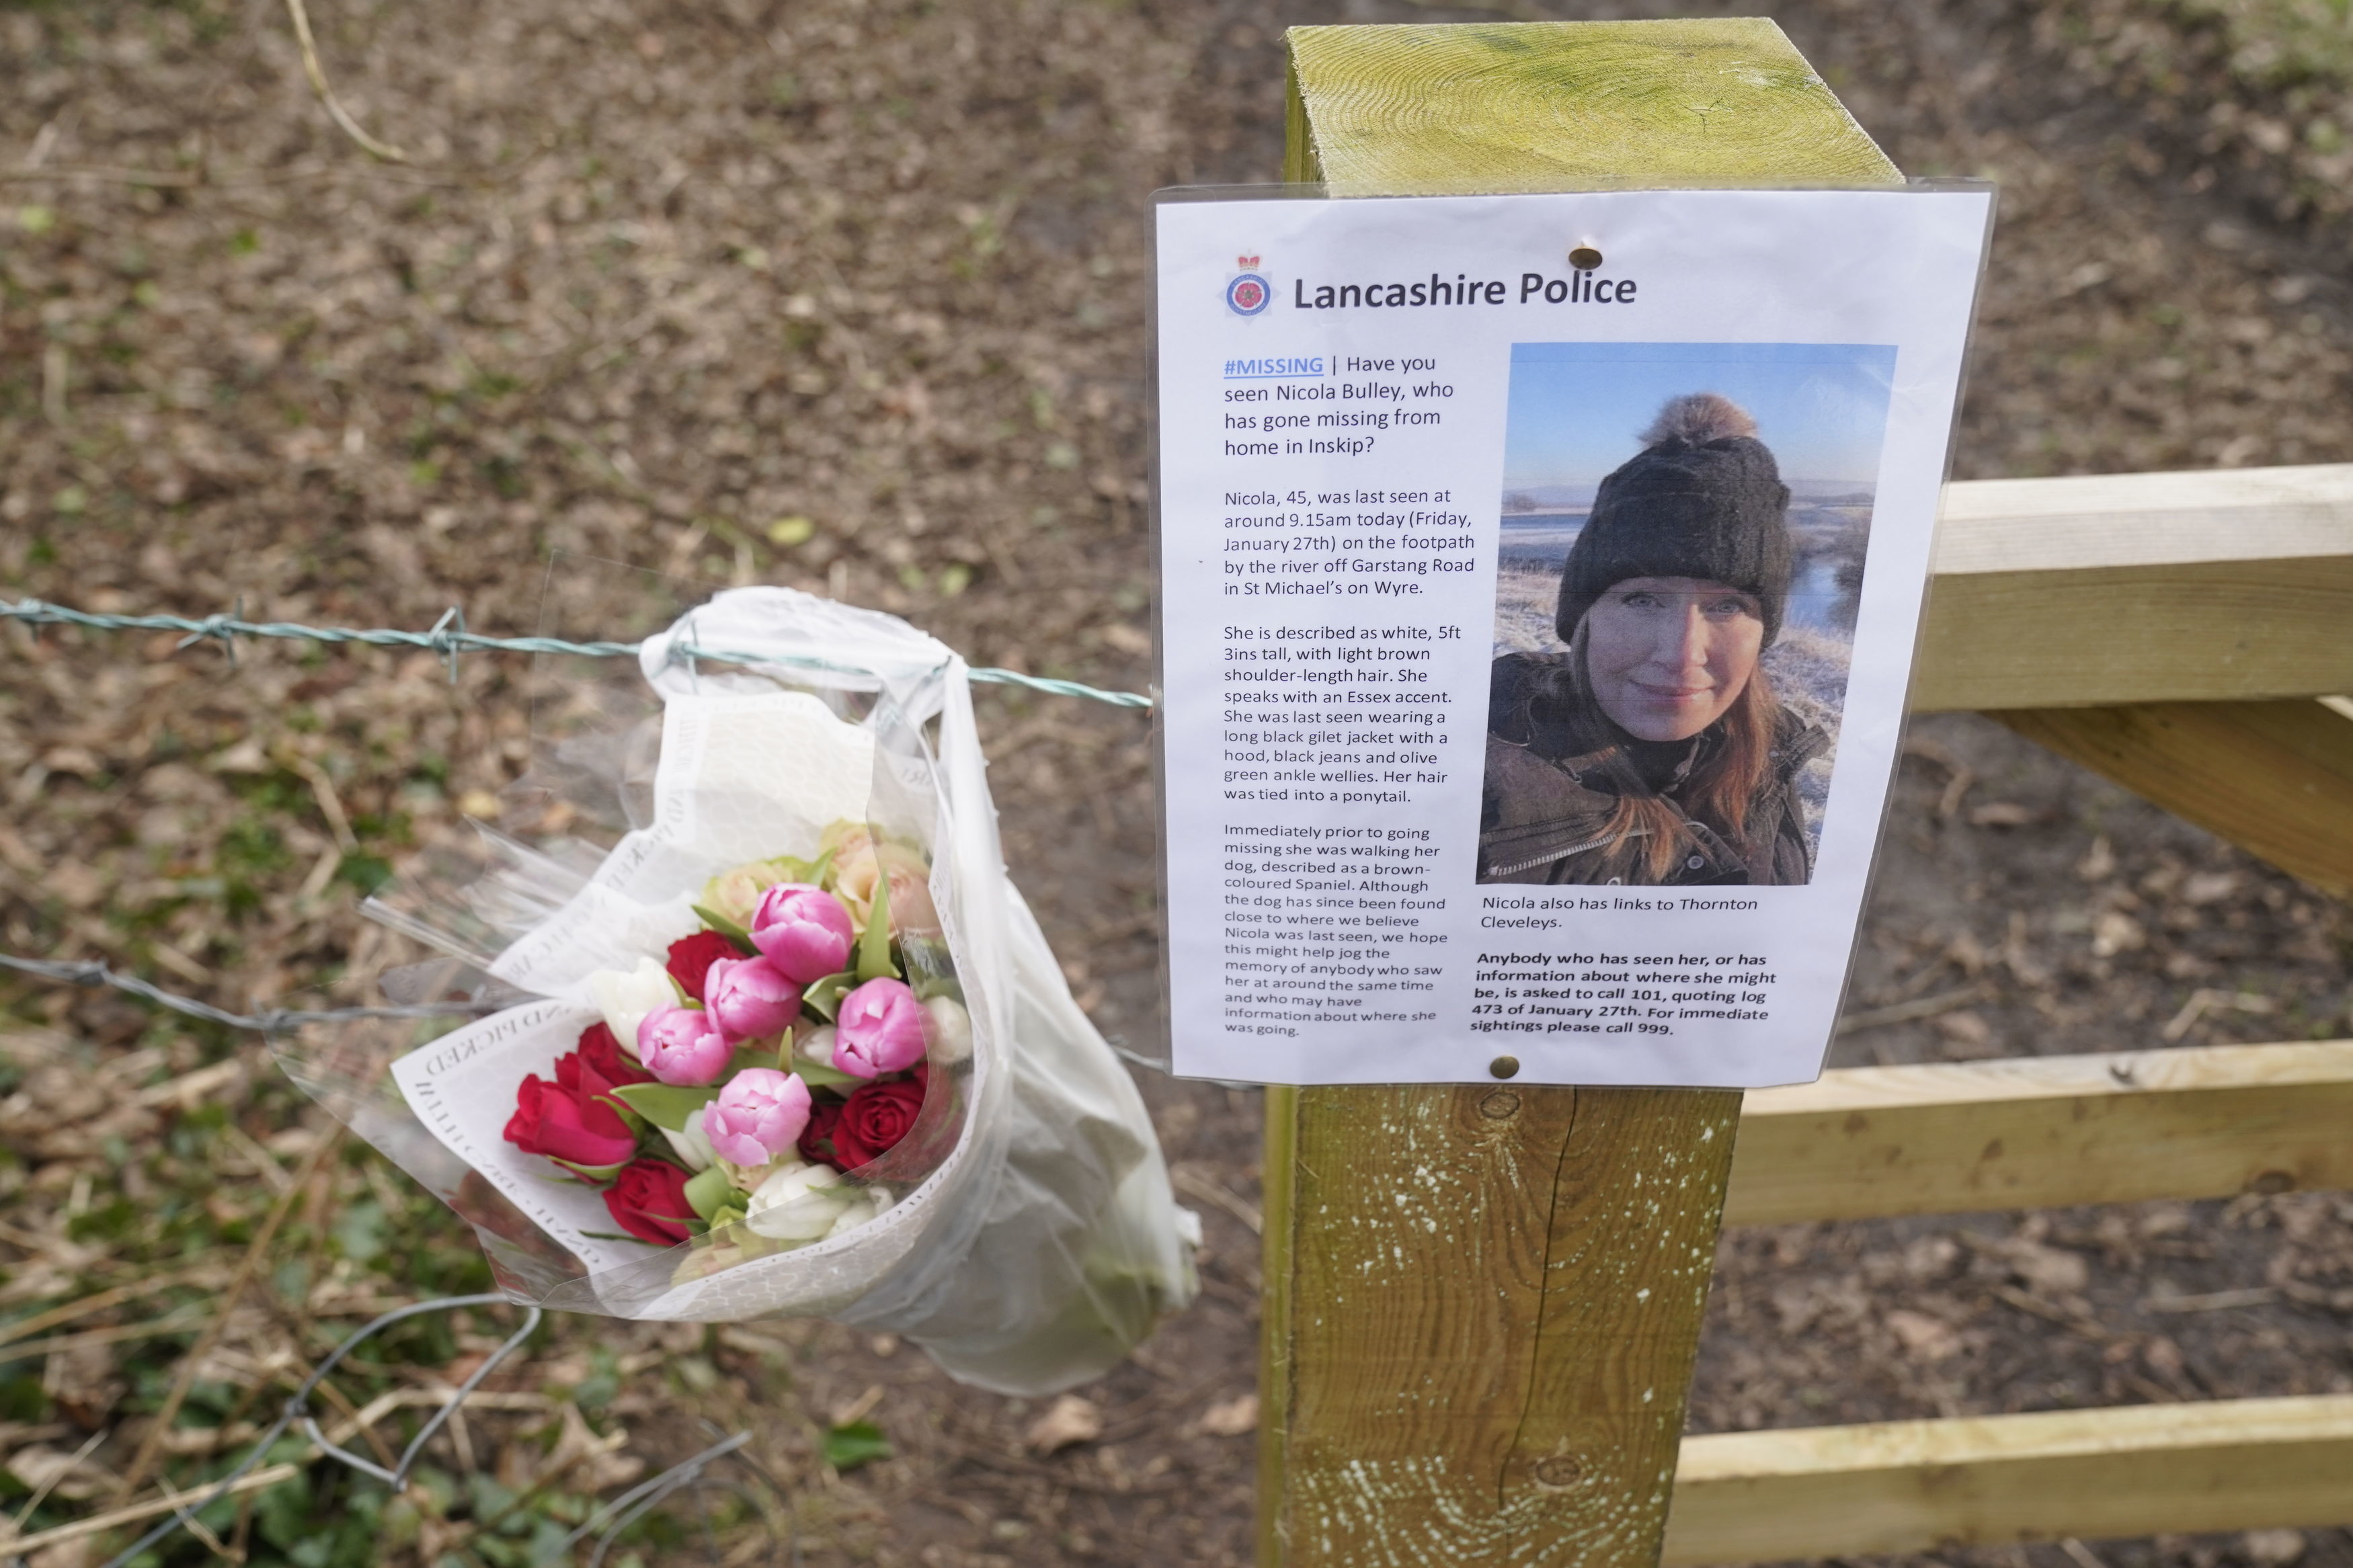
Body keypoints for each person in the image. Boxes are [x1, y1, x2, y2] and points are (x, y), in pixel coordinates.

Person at [1480, 393, 1827, 886]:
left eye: (1726, 605)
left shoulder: (1770, 753)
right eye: (1643, 600)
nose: (1681, 655)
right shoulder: (1485, 768)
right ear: (1586, 618)